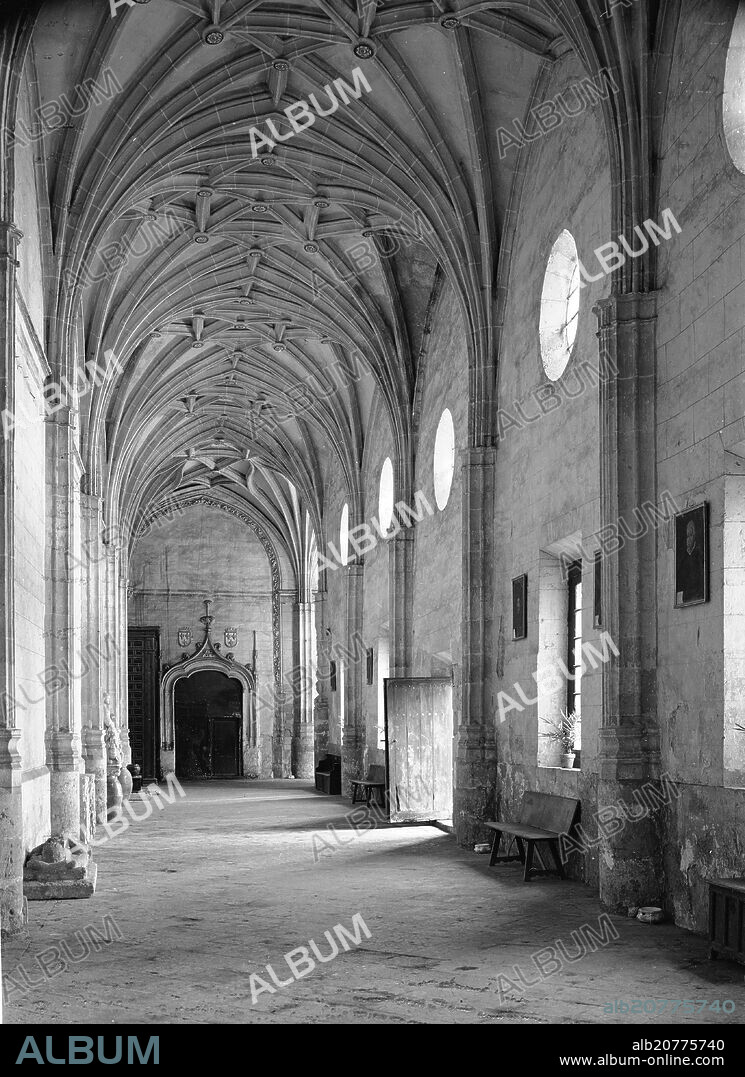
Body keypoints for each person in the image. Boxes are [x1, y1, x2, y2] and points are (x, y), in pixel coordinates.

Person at [678, 517, 704, 603]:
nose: (688, 540)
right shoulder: (684, 557)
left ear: (694, 536)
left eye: (690, 536)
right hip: (686, 597)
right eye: (687, 536)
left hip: (696, 595)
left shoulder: (699, 554)